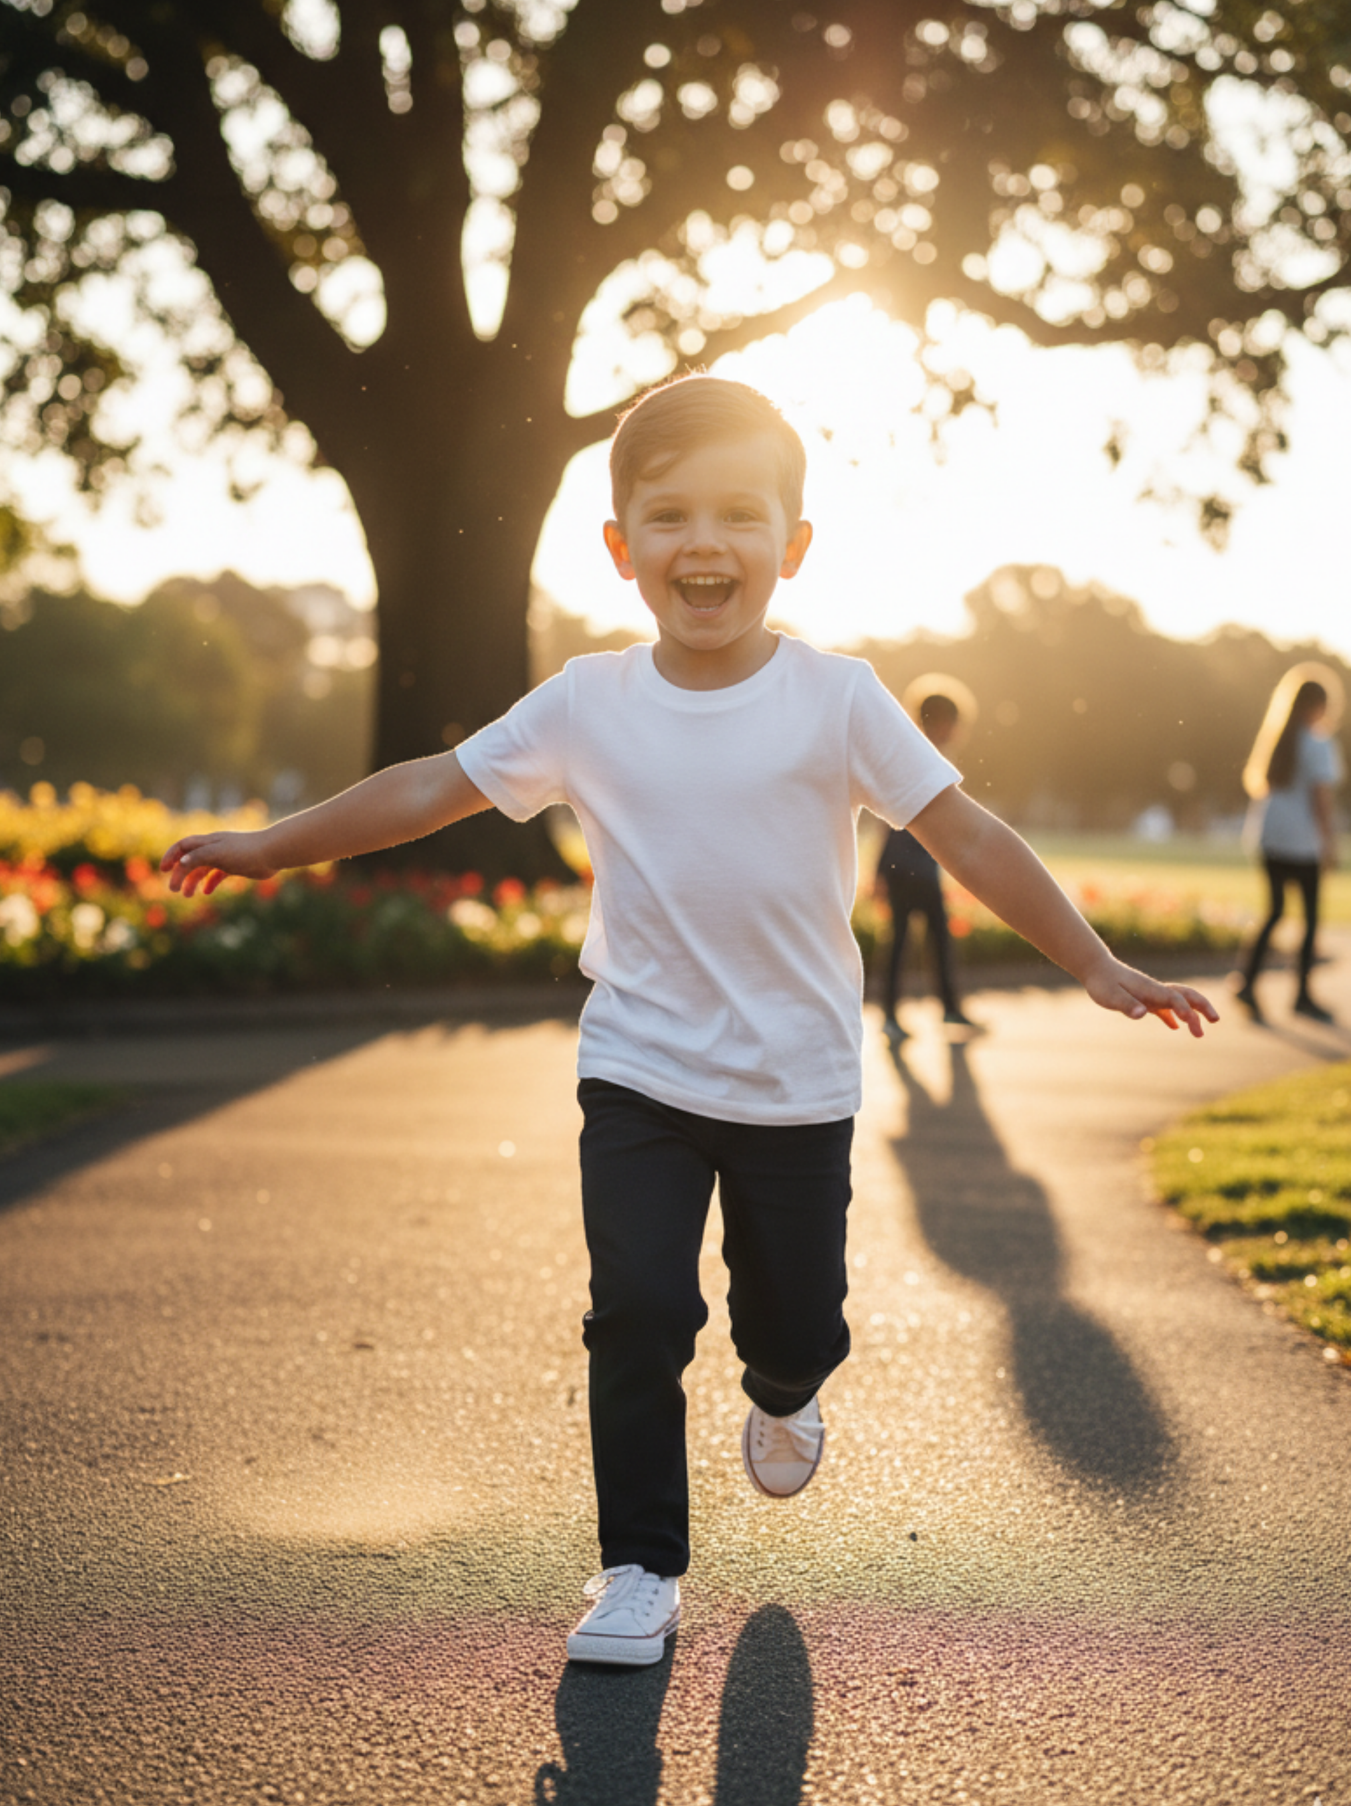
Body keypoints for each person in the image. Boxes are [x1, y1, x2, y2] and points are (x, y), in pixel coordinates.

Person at [161, 375, 1217, 1669]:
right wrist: (275, 845)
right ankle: (637, 1569)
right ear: (620, 550)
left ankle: (783, 1389)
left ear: (793, 545)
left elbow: (966, 834)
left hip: (797, 1084)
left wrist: (1097, 963)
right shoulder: (586, 702)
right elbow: (434, 785)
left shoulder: (837, 698)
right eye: (666, 517)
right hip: (640, 1070)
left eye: (736, 516)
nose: (702, 544)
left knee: (797, 1321)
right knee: (640, 1307)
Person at [1234, 662, 1344, 1024]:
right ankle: (1302, 995)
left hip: (1269, 837)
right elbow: (1320, 799)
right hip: (1301, 843)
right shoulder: (1317, 742)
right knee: (1309, 919)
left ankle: (1247, 981)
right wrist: (1329, 842)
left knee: (1276, 911)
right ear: (1318, 706)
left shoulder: (1279, 738)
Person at [874, 675, 979, 1044]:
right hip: (910, 869)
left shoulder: (917, 752)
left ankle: (932, 1012)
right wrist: (880, 873)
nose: (955, 731)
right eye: (952, 722)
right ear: (938, 722)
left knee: (919, 941)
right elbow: (892, 821)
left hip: (913, 867)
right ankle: (901, 1015)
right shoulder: (920, 756)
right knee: (910, 942)